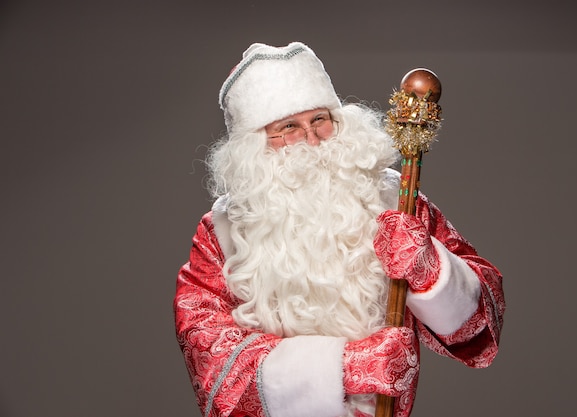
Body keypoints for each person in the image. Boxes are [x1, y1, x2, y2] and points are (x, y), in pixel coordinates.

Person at [174, 42, 505, 417]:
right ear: (255, 146)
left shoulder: (394, 198)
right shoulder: (221, 233)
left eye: (319, 119)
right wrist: (344, 368)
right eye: (288, 127)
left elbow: (480, 325)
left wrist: (431, 269)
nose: (312, 139)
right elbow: (210, 360)